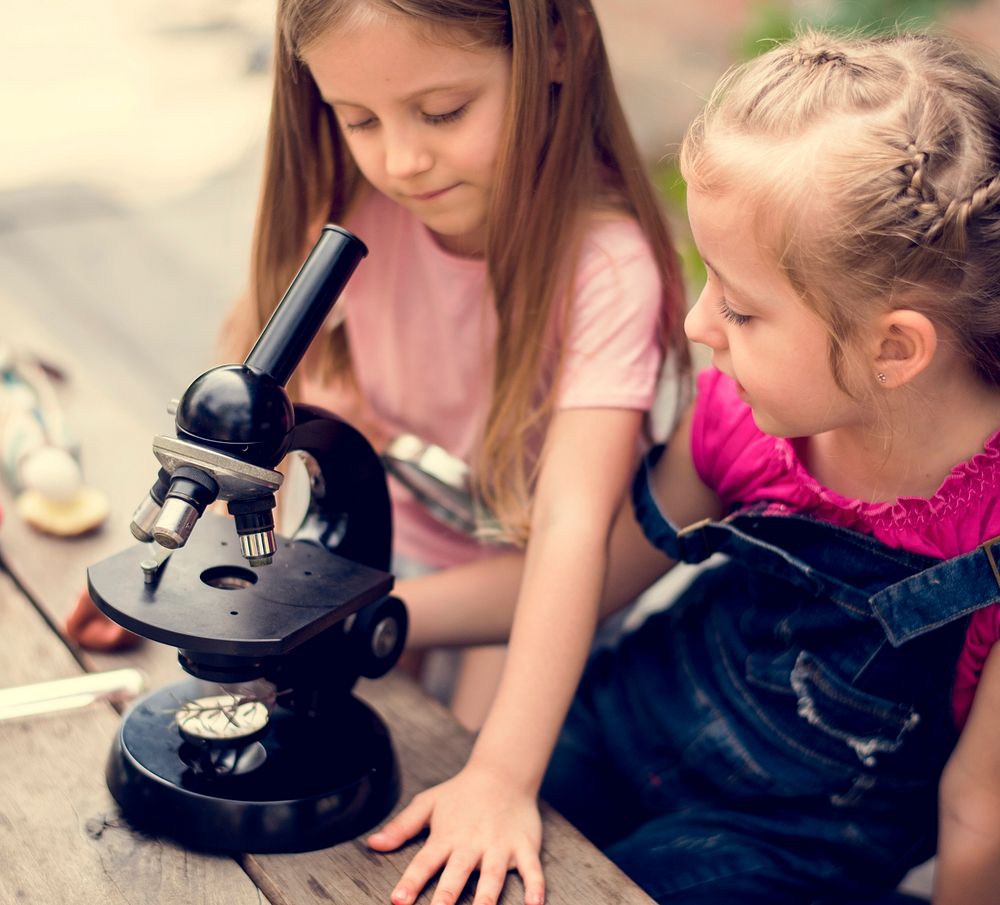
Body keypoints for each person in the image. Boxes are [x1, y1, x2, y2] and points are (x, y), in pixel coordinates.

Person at [66, 0, 688, 898]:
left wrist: (502, 778)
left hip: (520, 592)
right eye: (359, 120)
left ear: (557, 42)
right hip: (375, 557)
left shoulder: (606, 269)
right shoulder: (355, 217)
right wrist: (183, 587)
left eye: (442, 112)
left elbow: (569, 533)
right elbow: (256, 432)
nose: (401, 158)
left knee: (449, 790)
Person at [385, 27, 1000, 905]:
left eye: (742, 310)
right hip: (625, 721)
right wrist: (373, 617)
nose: (697, 325)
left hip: (782, 847)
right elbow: (586, 575)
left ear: (893, 347)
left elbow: (980, 813)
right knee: (427, 832)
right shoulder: (743, 423)